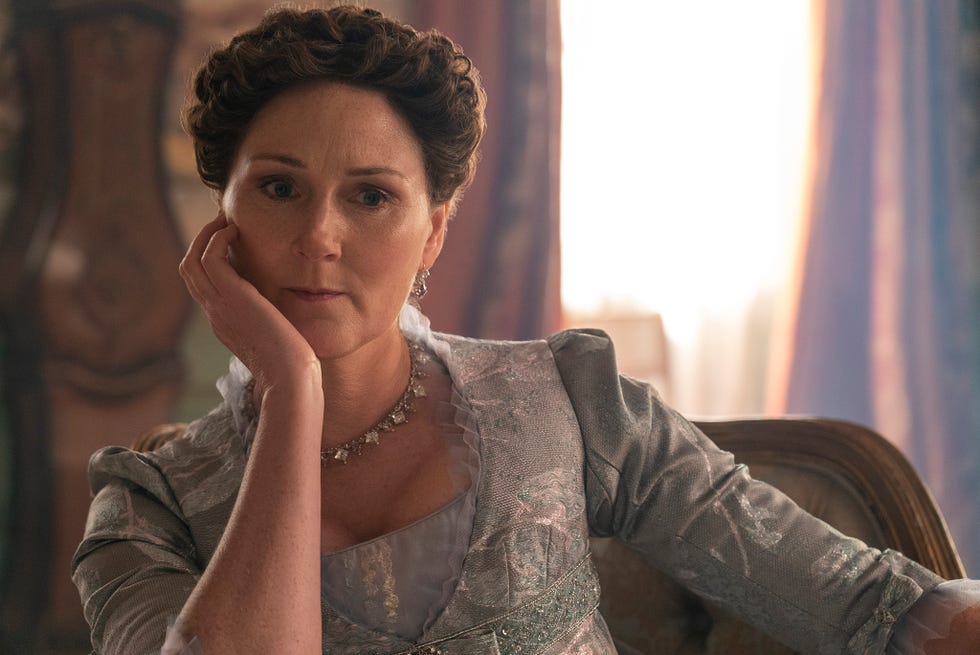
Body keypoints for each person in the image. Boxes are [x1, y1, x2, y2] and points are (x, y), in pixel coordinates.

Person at [71, 5, 979, 654]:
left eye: (373, 196)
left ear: (434, 230)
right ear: (219, 221)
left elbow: (865, 602)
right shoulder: (147, 506)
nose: (319, 237)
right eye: (278, 188)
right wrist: (291, 389)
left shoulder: (571, 399)